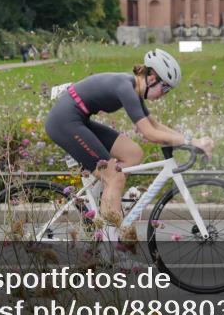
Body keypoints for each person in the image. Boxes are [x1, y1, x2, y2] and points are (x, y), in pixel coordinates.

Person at [44, 49, 213, 229]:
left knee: (133, 153)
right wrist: (191, 142)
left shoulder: (133, 87)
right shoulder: (126, 88)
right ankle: (111, 245)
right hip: (64, 122)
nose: (165, 94)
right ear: (152, 77)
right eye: (165, 88)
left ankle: (106, 199)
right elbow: (149, 133)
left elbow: (155, 126)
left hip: (77, 119)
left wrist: (190, 140)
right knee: (115, 178)